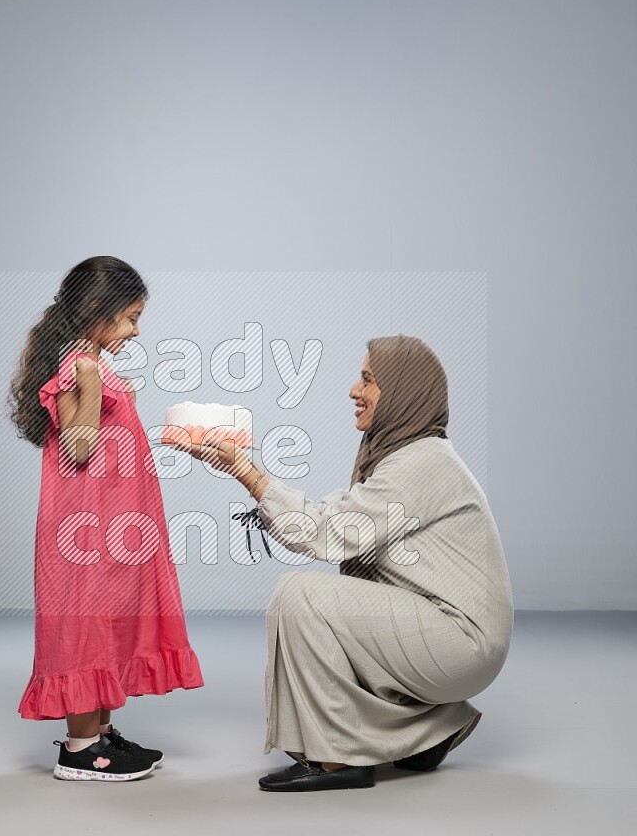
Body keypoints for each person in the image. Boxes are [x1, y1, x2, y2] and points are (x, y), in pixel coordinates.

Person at [167, 334, 513, 793]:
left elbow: (327, 534)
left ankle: (337, 758)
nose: (354, 389)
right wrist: (249, 474)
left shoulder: (421, 463)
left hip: (461, 641)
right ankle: (422, 736)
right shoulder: (401, 456)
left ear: (404, 393)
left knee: (301, 596)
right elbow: (338, 517)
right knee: (335, 603)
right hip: (450, 631)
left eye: (369, 380)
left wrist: (248, 474)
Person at [8, 256, 204, 782]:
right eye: (131, 317)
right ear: (97, 310)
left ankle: (100, 735)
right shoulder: (78, 364)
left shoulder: (86, 357)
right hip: (84, 527)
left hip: (111, 523)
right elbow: (78, 444)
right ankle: (79, 750)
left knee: (107, 623)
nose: (137, 330)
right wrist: (95, 384)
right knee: (84, 622)